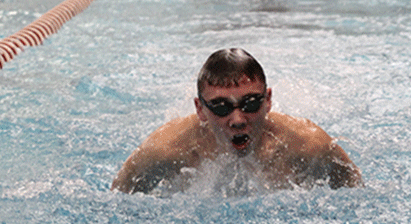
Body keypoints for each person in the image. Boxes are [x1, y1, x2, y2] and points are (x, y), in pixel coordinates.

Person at [111, 48, 362, 194]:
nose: (238, 120)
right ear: (200, 109)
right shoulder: (164, 151)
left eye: (251, 103)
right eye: (221, 107)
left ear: (268, 101)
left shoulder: (308, 144)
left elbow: (356, 192)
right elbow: (116, 204)